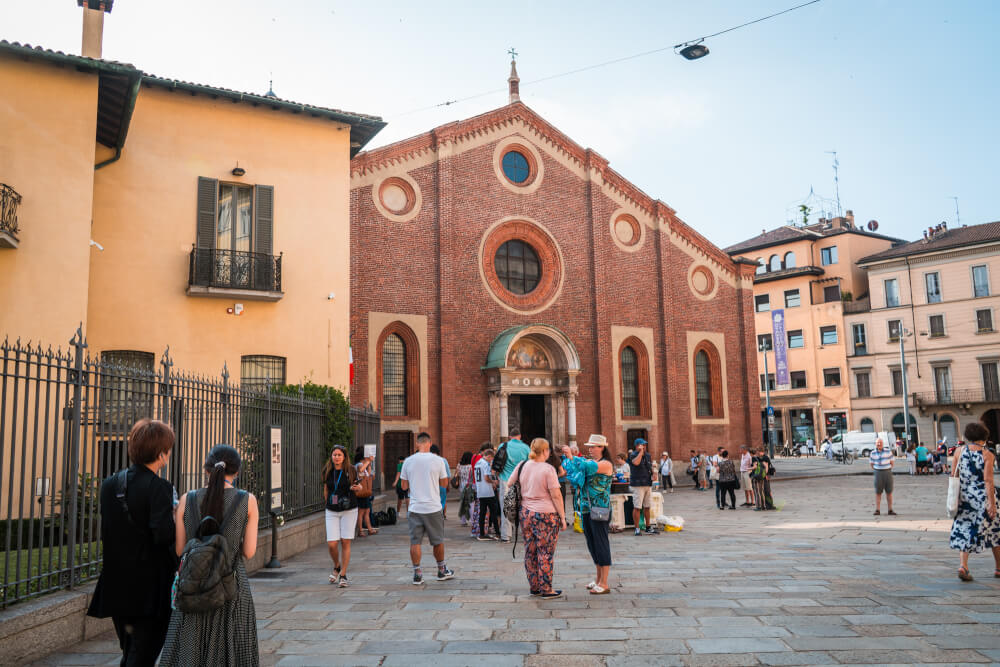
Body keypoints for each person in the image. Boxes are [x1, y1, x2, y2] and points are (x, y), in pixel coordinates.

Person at [88, 419, 178, 667]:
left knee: (130, 650)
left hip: (116, 582)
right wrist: (175, 518)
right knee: (143, 654)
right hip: (149, 588)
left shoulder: (109, 485)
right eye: (168, 449)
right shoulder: (159, 487)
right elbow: (163, 536)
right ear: (161, 454)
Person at [159, 444, 260, 667]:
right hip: (231, 586)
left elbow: (179, 550)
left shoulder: (188, 499)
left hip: (193, 585)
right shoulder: (247, 500)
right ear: (237, 471)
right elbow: (249, 551)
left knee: (190, 649)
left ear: (207, 469)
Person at [508, 438, 566, 599]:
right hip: (546, 515)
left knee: (530, 551)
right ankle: (546, 589)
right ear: (546, 451)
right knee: (545, 552)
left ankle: (534, 586)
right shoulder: (548, 469)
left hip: (526, 514)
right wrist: (562, 516)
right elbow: (556, 495)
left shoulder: (522, 465)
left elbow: (509, 483)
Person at [563, 434, 614, 595]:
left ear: (602, 448)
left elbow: (586, 466)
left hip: (600, 508)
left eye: (593, 446)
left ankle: (604, 582)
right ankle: (598, 579)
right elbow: (573, 475)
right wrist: (568, 460)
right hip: (586, 508)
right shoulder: (590, 462)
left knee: (601, 543)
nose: (590, 449)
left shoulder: (605, 464)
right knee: (592, 544)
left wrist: (572, 456)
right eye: (589, 446)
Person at [401, 432, 454, 584]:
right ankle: (441, 570)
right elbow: (444, 483)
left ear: (417, 444)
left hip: (415, 507)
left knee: (415, 541)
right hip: (433, 507)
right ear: (430, 443)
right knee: (437, 540)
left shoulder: (408, 461)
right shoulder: (438, 460)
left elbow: (404, 486)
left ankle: (417, 573)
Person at [950, 421, 1000, 581]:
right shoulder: (988, 455)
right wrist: (991, 504)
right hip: (982, 497)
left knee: (965, 529)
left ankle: (963, 565)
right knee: (995, 531)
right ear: (984, 437)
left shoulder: (959, 451)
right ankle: (999, 568)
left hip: (964, 497)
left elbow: (953, 475)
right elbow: (988, 480)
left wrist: (956, 497)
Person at [322, 445, 361, 586]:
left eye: (339, 455)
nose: (336, 457)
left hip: (349, 509)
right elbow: (326, 489)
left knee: (345, 541)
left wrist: (358, 488)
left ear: (344, 457)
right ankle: (337, 565)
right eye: (334, 455)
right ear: (331, 457)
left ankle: (343, 574)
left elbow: (358, 486)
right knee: (332, 543)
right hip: (332, 510)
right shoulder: (327, 470)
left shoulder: (351, 470)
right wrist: (327, 502)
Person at [498, 427, 530, 543]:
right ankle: (526, 532)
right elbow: (529, 464)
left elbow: (498, 463)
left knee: (506, 507)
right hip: (521, 480)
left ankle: (506, 535)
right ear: (520, 436)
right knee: (523, 507)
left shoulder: (503, 446)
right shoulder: (526, 448)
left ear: (510, 436)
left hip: (505, 479)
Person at [628, 438, 656, 535]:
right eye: (642, 445)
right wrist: (640, 453)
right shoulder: (633, 455)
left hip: (647, 483)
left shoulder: (648, 455)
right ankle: (637, 528)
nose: (644, 446)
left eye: (645, 445)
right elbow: (636, 463)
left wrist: (653, 472)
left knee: (647, 506)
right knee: (637, 507)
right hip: (637, 484)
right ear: (637, 446)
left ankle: (648, 526)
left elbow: (650, 465)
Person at [474, 448, 501, 541]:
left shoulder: (477, 463)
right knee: (494, 512)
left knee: (482, 513)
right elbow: (486, 477)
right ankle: (497, 533)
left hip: (480, 491)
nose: (491, 460)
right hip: (488, 491)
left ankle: (481, 534)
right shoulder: (485, 464)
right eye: (491, 458)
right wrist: (493, 482)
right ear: (489, 456)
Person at [469, 442, 491, 538]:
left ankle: (475, 529)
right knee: (483, 510)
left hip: (475, 484)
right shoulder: (481, 460)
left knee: (477, 509)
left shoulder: (474, 457)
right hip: (482, 485)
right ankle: (481, 530)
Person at [354, 447, 377, 537]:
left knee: (367, 511)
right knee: (361, 512)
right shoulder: (359, 464)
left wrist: (370, 464)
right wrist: (368, 462)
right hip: (360, 492)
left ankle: (370, 529)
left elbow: (371, 476)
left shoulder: (365, 465)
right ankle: (360, 530)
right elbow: (360, 470)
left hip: (365, 492)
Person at [870, 438, 896, 516]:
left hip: (887, 472)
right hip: (878, 473)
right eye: (877, 443)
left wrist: (887, 468)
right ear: (875, 444)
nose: (879, 444)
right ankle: (877, 510)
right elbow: (871, 464)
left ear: (883, 444)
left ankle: (890, 509)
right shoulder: (873, 453)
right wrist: (877, 469)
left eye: (880, 443)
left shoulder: (888, 451)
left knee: (889, 492)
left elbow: (892, 462)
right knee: (878, 492)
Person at [430, 444, 450, 518]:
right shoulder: (443, 460)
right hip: (442, 485)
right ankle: (442, 514)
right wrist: (448, 486)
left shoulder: (427, 460)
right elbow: (448, 475)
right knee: (442, 500)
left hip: (431, 485)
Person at [457, 451, 474, 526]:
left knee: (463, 504)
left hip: (462, 487)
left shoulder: (459, 466)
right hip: (469, 486)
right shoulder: (471, 466)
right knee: (471, 503)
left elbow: (458, 475)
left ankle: (463, 521)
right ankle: (472, 520)